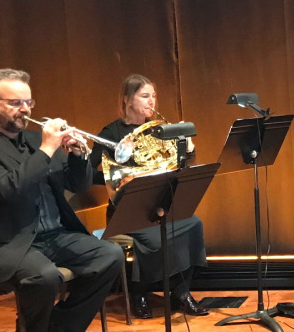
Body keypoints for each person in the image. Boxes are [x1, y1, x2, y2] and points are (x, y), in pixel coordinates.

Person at [0, 68, 125, 332]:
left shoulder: (36, 139)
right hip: (9, 242)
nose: (25, 109)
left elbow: (76, 185)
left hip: (55, 235)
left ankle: (55, 327)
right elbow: (6, 189)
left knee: (110, 255)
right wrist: (47, 148)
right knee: (43, 277)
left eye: (28, 102)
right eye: (15, 103)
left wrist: (78, 156)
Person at [89, 74, 208, 318]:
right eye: (145, 96)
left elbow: (178, 167)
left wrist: (188, 150)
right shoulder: (112, 132)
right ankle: (139, 292)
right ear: (127, 100)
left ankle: (181, 292)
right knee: (155, 238)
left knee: (193, 224)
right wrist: (120, 173)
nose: (151, 101)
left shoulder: (159, 131)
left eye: (153, 96)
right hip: (126, 210)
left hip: (157, 205)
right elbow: (90, 173)